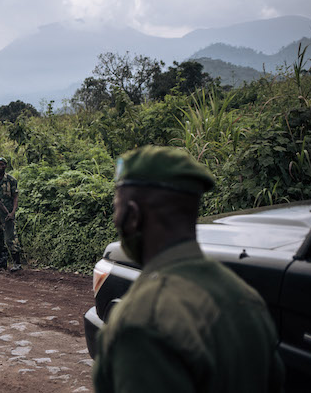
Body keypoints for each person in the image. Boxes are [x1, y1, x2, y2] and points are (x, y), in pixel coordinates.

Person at [93, 145, 284, 392]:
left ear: (133, 216)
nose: (115, 219)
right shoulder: (245, 297)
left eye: (116, 209)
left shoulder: (144, 319)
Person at [0, 157, 23, 272]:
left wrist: (13, 212)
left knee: (11, 239)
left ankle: (17, 263)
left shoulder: (11, 180)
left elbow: (15, 197)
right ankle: (2, 261)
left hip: (7, 214)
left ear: (5, 166)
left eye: (1, 164)